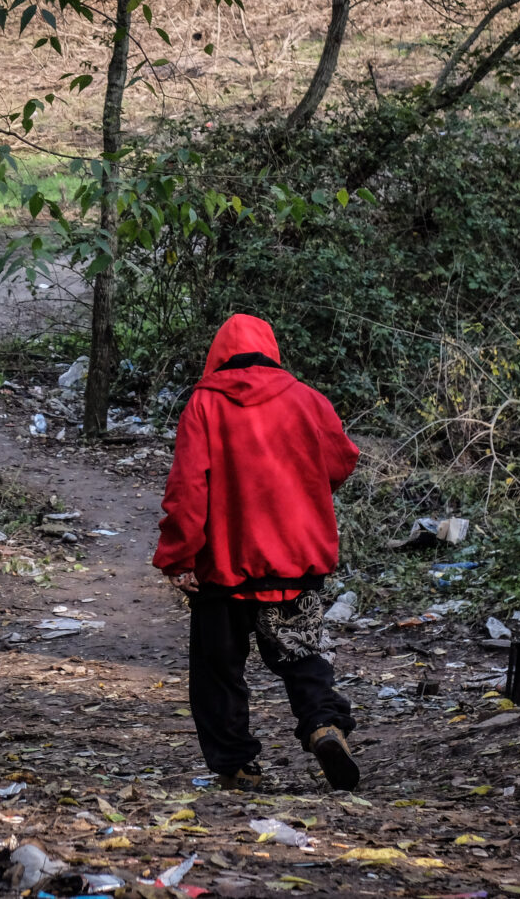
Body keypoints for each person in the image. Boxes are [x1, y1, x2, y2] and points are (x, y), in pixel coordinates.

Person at [152, 313, 362, 791]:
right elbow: (341, 460)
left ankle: (237, 766)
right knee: (304, 656)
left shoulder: (204, 405)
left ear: (218, 354)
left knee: (218, 672)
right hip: (293, 563)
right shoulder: (307, 400)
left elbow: (187, 488)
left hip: (223, 570)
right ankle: (324, 726)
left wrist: (178, 556)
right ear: (271, 349)